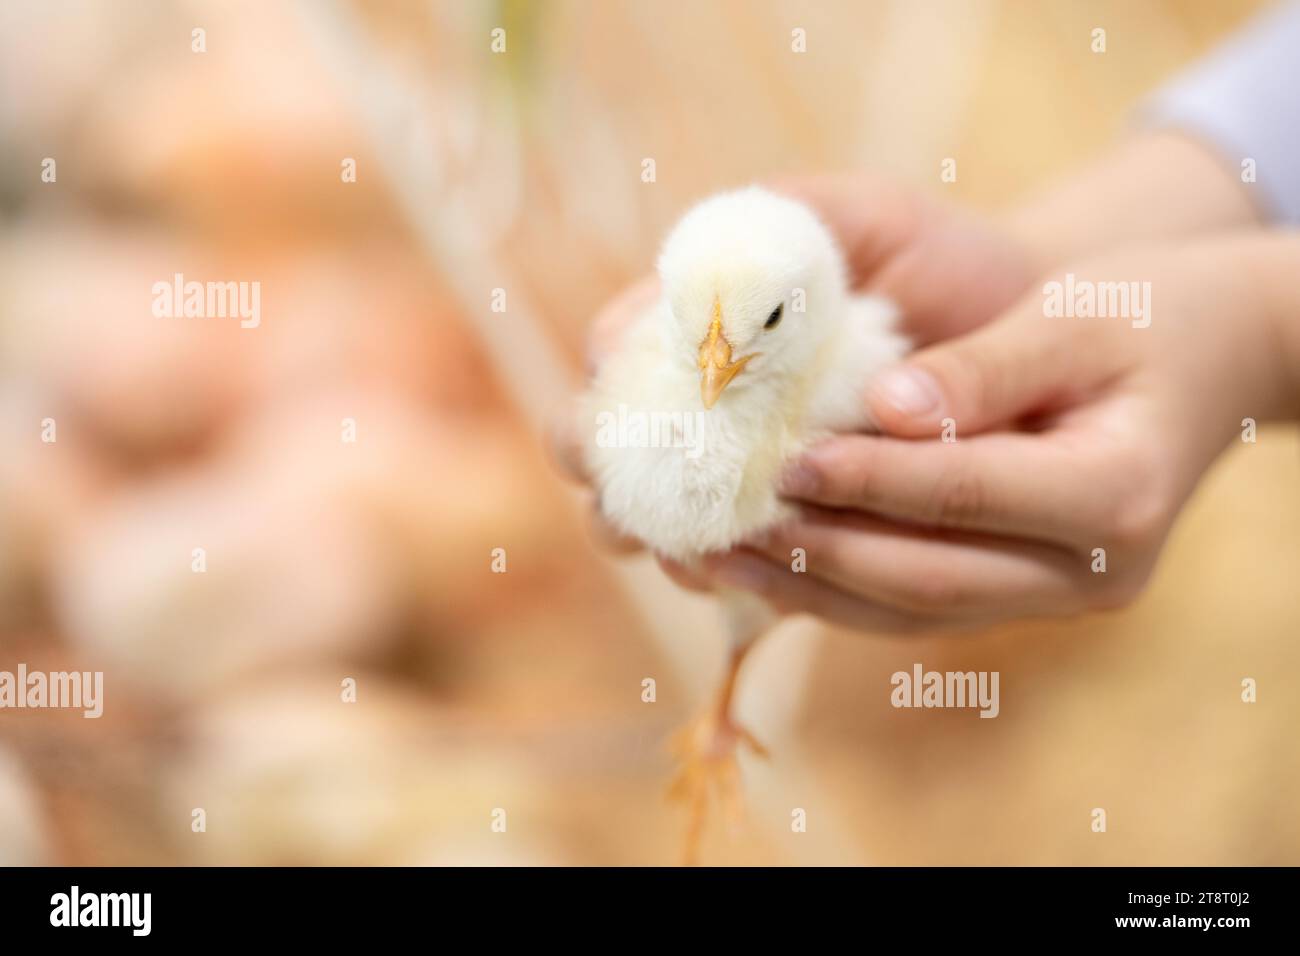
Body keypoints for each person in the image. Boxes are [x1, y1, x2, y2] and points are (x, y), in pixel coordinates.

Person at [554, 2, 1300, 633]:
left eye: (767, 324)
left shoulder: (850, 368)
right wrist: (1042, 260)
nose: (715, 367)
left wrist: (1267, 329)